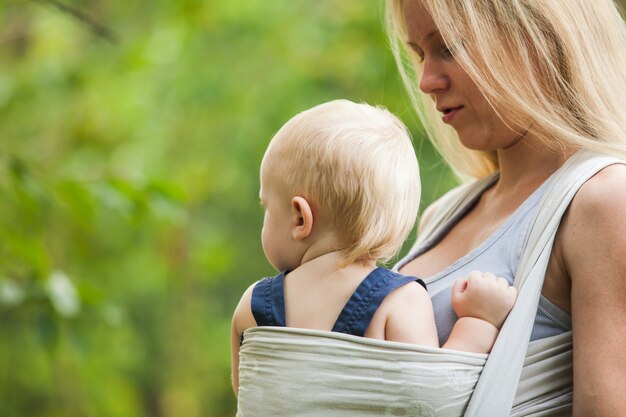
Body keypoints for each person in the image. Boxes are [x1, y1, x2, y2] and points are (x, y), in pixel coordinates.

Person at [386, 0, 626, 415]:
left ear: (539, 37)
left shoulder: (603, 200)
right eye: (419, 54)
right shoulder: (441, 215)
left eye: (450, 46)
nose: (426, 81)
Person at [230, 99, 517, 395]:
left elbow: (249, 400)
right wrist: (479, 320)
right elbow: (436, 398)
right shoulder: (400, 302)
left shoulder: (251, 308)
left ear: (300, 217)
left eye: (267, 207)